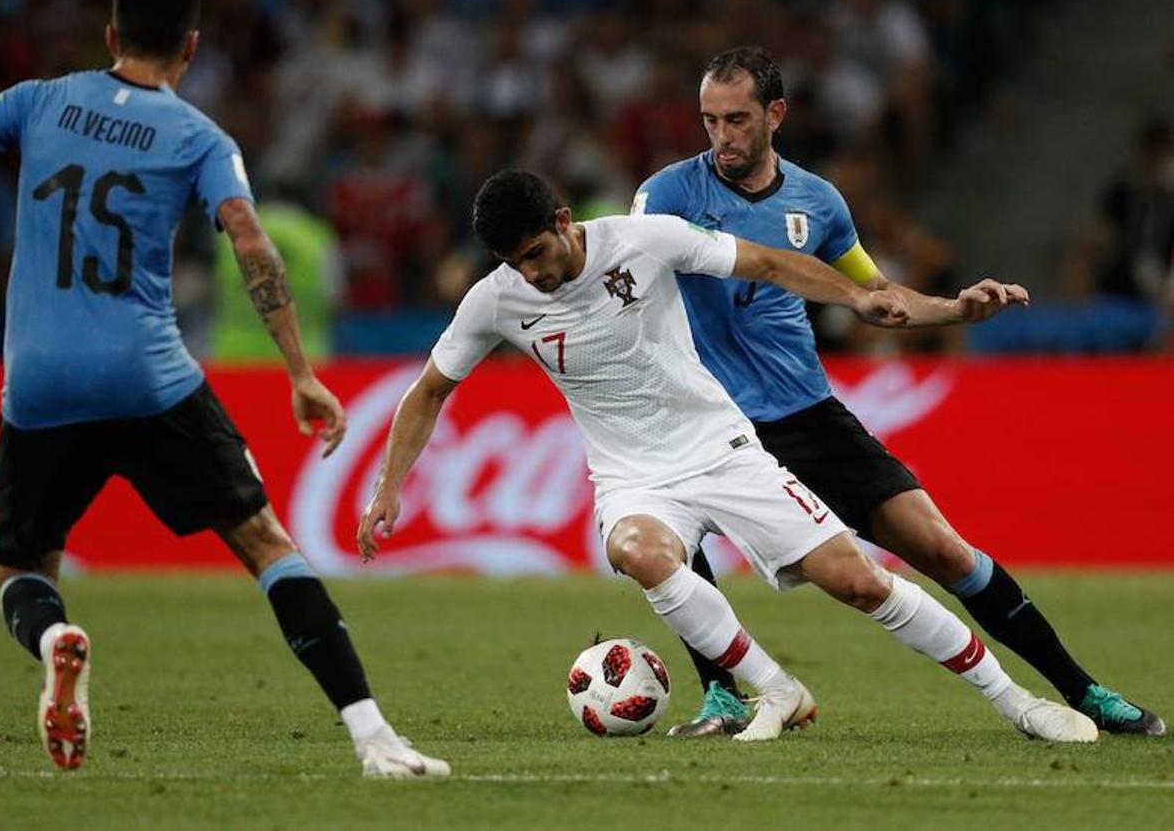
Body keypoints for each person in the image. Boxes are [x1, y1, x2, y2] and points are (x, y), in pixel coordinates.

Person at [0, 0, 448, 778]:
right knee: (264, 543)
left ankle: (55, 641)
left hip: (39, 384)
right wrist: (299, 369)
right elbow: (251, 242)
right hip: (149, 377)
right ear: (190, 47)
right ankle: (373, 738)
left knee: (22, 568)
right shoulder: (198, 138)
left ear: (110, 37)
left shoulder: (36, 100)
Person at [357, 168, 1097, 744]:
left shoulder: (642, 239)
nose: (532, 275)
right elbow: (428, 391)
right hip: (633, 477)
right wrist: (389, 488)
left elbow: (769, 265)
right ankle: (775, 690)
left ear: (562, 222)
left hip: (723, 448)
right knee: (636, 551)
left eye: (536, 254)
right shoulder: (494, 300)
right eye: (513, 263)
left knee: (859, 583)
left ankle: (1017, 702)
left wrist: (856, 298)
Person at [633, 45, 1164, 737]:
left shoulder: (816, 202)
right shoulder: (669, 194)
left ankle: (1083, 690)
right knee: (668, 540)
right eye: (709, 121)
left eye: (736, 120)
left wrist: (955, 309)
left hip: (804, 416)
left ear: (775, 114)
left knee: (943, 550)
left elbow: (877, 295)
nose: (722, 138)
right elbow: (629, 279)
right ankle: (722, 695)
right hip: (707, 419)